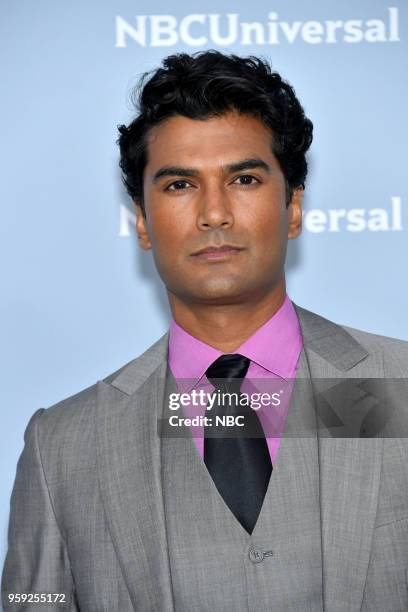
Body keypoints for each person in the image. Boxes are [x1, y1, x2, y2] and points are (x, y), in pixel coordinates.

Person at [2, 50, 408, 612]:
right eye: (178, 185)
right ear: (142, 221)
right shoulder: (64, 446)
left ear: (292, 207)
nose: (213, 213)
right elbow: (31, 599)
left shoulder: (398, 386)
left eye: (243, 178)